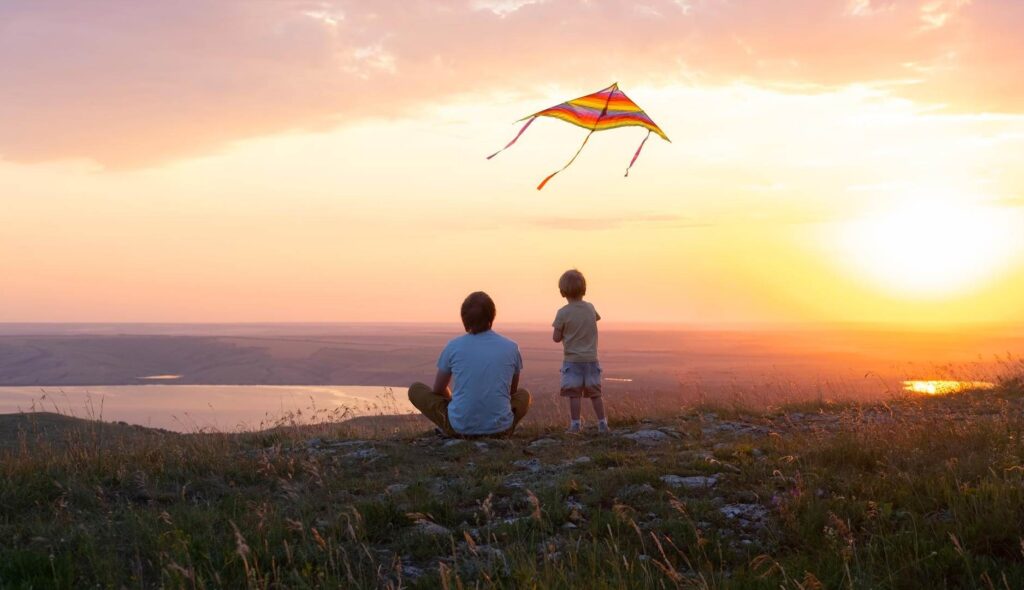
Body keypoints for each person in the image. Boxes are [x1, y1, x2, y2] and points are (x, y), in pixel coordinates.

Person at [408, 291, 531, 437]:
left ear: (464, 319)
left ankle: (458, 422)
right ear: (492, 316)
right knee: (524, 396)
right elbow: (511, 392)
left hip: (459, 428)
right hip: (501, 429)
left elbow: (438, 389)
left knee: (416, 389)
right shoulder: (511, 347)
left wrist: (455, 402)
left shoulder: (453, 346)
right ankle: (498, 426)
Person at [552, 269, 607, 434]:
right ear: (584, 290)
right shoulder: (590, 308)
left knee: (574, 394)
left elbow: (556, 337)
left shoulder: (562, 313)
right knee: (596, 393)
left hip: (572, 361)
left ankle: (575, 425)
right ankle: (602, 423)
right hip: (591, 359)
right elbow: (595, 319)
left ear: (562, 292)